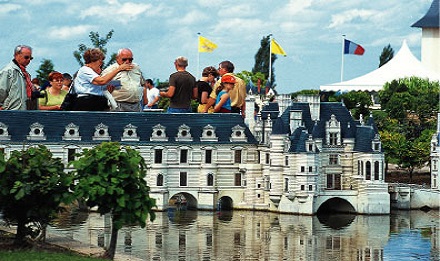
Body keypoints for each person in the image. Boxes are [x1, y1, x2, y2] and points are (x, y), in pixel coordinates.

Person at [0, 45, 37, 110]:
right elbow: (1, 92)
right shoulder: (8, 71)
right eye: (26, 57)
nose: (29, 60)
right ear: (17, 55)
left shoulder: (26, 73)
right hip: (12, 113)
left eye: (30, 58)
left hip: (27, 113)